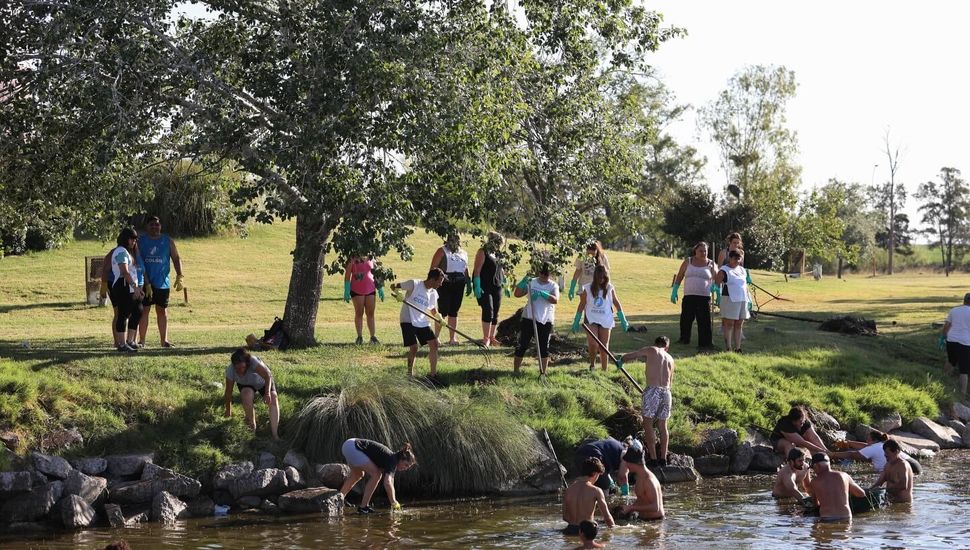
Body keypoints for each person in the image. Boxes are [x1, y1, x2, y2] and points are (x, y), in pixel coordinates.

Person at [619, 336, 674, 466]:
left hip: (652, 390)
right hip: (666, 392)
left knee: (648, 424)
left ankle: (654, 459)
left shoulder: (652, 350)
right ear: (667, 346)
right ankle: (663, 458)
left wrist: (621, 360)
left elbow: (632, 355)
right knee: (663, 426)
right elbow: (670, 382)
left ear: (655, 344)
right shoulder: (671, 359)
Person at [137, 216, 184, 348]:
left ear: (160, 226)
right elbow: (137, 262)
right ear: (147, 226)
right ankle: (142, 341)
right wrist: (145, 283)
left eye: (157, 225)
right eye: (151, 225)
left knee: (162, 311)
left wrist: (180, 275)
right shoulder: (141, 241)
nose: (154, 227)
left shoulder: (167, 241)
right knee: (144, 310)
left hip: (162, 283)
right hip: (145, 283)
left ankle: (164, 341)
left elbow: (176, 258)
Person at [573, 265, 630, 370]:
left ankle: (604, 369)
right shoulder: (588, 288)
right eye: (599, 278)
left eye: (603, 278)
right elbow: (582, 304)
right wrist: (576, 320)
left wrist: (623, 320)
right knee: (593, 344)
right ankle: (592, 365)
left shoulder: (609, 288)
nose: (601, 280)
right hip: (591, 318)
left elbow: (616, 303)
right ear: (595, 277)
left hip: (605, 319)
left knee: (604, 346)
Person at [339, 438, 417, 514]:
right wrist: (394, 502)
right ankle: (363, 507)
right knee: (376, 474)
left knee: (357, 475)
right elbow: (387, 482)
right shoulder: (393, 460)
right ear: (401, 459)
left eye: (408, 467)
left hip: (348, 445)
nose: (405, 468)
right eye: (406, 465)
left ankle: (339, 500)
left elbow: (390, 482)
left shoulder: (392, 459)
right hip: (353, 447)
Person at [391, 269, 445, 377]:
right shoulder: (414, 284)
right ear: (432, 279)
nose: (441, 284)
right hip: (408, 319)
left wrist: (439, 317)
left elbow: (433, 309)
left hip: (422, 321)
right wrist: (398, 293)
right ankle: (409, 374)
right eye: (439, 281)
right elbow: (394, 286)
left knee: (434, 344)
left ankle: (433, 374)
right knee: (414, 347)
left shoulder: (433, 293)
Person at [223, 348, 280, 440]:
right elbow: (228, 393)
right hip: (246, 384)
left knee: (273, 398)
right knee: (246, 396)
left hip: (262, 382)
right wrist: (228, 410)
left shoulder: (253, 361)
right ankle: (252, 428)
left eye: (243, 367)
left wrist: (267, 393)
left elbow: (267, 376)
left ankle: (275, 434)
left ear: (247, 363)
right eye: (237, 368)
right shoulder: (230, 370)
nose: (240, 371)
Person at [512, 263, 559, 374]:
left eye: (546, 274)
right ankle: (516, 370)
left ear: (550, 274)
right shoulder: (531, 282)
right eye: (542, 273)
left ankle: (543, 372)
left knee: (543, 347)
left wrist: (544, 294)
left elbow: (555, 300)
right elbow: (517, 294)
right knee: (522, 344)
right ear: (539, 272)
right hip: (529, 317)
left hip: (546, 319)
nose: (544, 276)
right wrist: (523, 283)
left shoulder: (553, 286)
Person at [671, 242, 718, 350]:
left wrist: (716, 289)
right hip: (689, 295)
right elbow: (679, 276)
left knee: (704, 320)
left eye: (705, 251)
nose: (703, 253)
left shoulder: (711, 264)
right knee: (686, 319)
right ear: (695, 251)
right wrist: (675, 291)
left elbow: (717, 278)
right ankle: (684, 339)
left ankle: (705, 343)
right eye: (701, 251)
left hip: (704, 296)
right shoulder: (688, 262)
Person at [430, 233, 472, 345]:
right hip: (445, 282)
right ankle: (436, 337)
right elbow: (433, 268)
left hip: (459, 283)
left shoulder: (463, 253)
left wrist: (469, 282)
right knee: (443, 310)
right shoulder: (441, 251)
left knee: (454, 311)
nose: (454, 241)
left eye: (456, 239)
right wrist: (432, 282)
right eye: (452, 239)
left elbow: (465, 267)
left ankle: (452, 338)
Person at [109, 228, 145, 353]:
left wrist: (137, 287)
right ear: (125, 238)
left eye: (135, 239)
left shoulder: (129, 252)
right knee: (123, 314)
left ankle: (130, 341)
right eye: (132, 238)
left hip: (130, 286)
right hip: (122, 285)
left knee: (138, 310)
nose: (134, 241)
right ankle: (122, 344)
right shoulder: (121, 251)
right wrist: (135, 287)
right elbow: (124, 271)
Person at [562, 457, 615, 535]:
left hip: (570, 530)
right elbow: (607, 518)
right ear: (594, 473)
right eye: (598, 475)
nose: (597, 478)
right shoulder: (596, 491)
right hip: (587, 532)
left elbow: (565, 517)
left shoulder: (569, 490)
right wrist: (614, 532)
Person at [808, 453, 866, 521]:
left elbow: (815, 504)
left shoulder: (814, 482)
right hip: (845, 517)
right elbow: (861, 493)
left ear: (817, 465)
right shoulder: (844, 476)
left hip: (826, 518)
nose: (814, 471)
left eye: (813, 468)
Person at [829, 430, 920, 474]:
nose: (866, 441)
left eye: (868, 439)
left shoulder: (873, 448)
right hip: (914, 464)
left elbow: (852, 455)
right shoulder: (881, 444)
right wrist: (848, 443)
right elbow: (865, 446)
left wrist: (832, 454)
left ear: (874, 440)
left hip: (906, 468)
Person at [472, 232, 506, 348]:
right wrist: (476, 284)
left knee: (495, 312)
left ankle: (492, 337)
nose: (499, 245)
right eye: (498, 242)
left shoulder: (499, 254)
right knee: (488, 309)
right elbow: (477, 269)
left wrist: (505, 283)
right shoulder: (483, 252)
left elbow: (502, 270)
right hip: (484, 286)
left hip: (497, 286)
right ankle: (485, 338)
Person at [714, 250, 750, 352]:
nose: (737, 261)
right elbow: (717, 284)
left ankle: (738, 348)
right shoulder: (724, 270)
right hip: (729, 299)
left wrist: (749, 298)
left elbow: (744, 285)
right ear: (730, 258)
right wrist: (716, 292)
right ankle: (728, 347)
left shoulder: (742, 270)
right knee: (729, 324)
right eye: (735, 259)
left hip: (742, 299)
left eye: (739, 259)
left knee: (739, 324)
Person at [617, 443, 664, 520]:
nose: (626, 465)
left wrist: (631, 508)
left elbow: (655, 507)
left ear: (633, 462)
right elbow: (642, 498)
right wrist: (628, 509)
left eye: (626, 462)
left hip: (655, 521)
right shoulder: (639, 476)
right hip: (643, 520)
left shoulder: (648, 480)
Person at [344, 255, 383, 345]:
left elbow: (376, 273)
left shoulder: (372, 257)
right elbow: (347, 275)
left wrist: (380, 287)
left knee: (370, 313)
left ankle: (373, 337)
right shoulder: (352, 259)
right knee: (359, 313)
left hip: (370, 289)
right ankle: (359, 337)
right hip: (357, 290)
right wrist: (346, 289)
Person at [941, 292, 970, 395]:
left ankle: (942, 383)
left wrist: (943, 337)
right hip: (966, 343)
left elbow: (946, 326)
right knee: (964, 370)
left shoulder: (954, 310)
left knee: (950, 361)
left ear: (964, 300)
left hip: (951, 340)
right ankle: (962, 394)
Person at [871, 439, 913, 503]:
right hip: (890, 502)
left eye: (887, 453)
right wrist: (868, 491)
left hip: (903, 505)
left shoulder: (903, 465)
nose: (885, 455)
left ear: (897, 451)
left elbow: (903, 485)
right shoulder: (887, 465)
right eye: (884, 452)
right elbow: (879, 483)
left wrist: (884, 490)